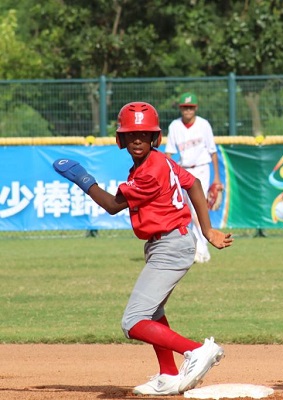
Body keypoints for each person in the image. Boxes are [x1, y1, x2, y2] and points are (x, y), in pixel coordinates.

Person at [52, 101, 234, 396]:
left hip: (171, 245)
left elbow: (112, 205)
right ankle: (168, 374)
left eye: (144, 134)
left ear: (155, 138)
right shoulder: (161, 161)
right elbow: (195, 183)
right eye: (131, 134)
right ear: (121, 139)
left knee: (133, 321)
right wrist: (207, 229)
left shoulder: (149, 171)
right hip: (169, 242)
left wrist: (83, 180)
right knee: (153, 312)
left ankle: (197, 351)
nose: (138, 139)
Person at [165, 92, 222, 264]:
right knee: (190, 210)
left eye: (190, 107)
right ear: (180, 109)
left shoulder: (204, 125)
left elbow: (213, 152)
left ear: (195, 108)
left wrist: (217, 179)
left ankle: (202, 250)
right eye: (184, 107)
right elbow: (168, 154)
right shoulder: (175, 126)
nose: (187, 110)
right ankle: (198, 249)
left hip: (202, 169)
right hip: (184, 170)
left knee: (198, 209)